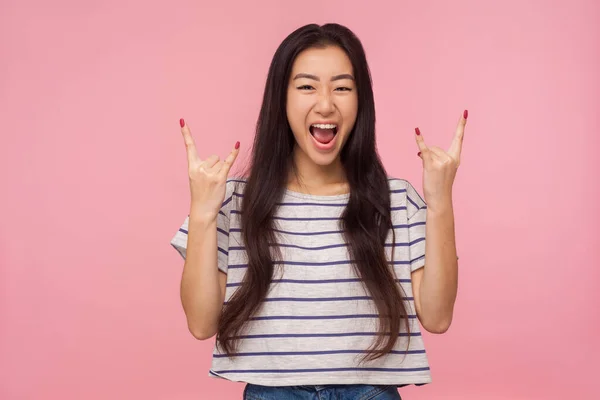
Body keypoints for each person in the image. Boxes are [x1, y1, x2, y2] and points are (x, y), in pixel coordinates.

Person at [170, 23, 463, 400]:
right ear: (282, 99)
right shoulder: (233, 200)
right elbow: (200, 323)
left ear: (361, 101)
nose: (326, 104)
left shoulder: (396, 200)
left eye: (342, 87)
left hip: (369, 393)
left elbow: (438, 318)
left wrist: (440, 202)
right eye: (307, 86)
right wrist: (203, 212)